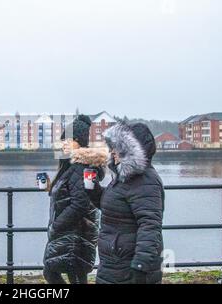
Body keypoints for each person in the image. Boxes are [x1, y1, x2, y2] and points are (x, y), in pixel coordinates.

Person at [90, 122, 165, 284]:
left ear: (129, 150)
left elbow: (150, 224)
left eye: (115, 147)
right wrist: (92, 189)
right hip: (115, 261)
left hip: (128, 265)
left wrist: (140, 264)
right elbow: (111, 207)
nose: (111, 152)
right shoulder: (122, 177)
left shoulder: (145, 180)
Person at [43, 114, 107, 284]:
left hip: (75, 233)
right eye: (63, 140)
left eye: (68, 140)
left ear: (79, 141)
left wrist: (56, 225)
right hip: (71, 232)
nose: (64, 144)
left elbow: (81, 203)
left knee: (66, 274)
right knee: (64, 273)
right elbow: (73, 192)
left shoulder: (79, 167)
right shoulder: (72, 166)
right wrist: (52, 188)